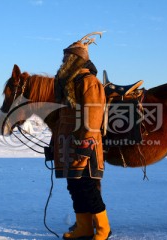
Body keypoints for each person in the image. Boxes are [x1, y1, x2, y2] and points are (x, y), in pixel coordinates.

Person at [52, 32, 111, 240]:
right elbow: (62, 119)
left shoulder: (89, 82)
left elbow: (93, 116)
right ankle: (84, 228)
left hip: (84, 147)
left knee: (87, 188)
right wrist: (54, 145)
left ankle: (103, 230)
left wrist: (85, 145)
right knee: (74, 187)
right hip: (68, 147)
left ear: (76, 60)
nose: (63, 62)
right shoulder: (69, 84)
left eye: (67, 58)